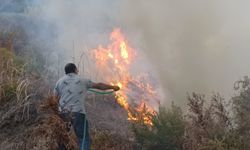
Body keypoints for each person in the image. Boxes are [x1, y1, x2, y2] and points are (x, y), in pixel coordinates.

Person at [53, 63, 120, 150]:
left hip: (63, 113)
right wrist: (113, 87)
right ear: (75, 70)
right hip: (78, 113)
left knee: (62, 138)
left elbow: (54, 100)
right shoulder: (82, 80)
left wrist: (56, 113)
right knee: (83, 138)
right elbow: (99, 85)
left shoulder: (59, 82)